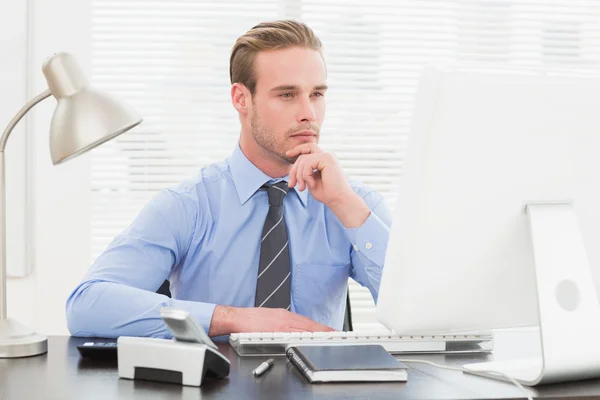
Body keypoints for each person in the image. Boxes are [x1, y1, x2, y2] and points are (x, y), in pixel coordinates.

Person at [66, 20, 391, 338]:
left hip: (317, 388)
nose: (309, 113)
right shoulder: (188, 206)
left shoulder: (353, 202)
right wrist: (233, 319)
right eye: (287, 95)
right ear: (241, 99)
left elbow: (421, 314)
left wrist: (345, 204)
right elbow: (87, 305)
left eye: (317, 94)